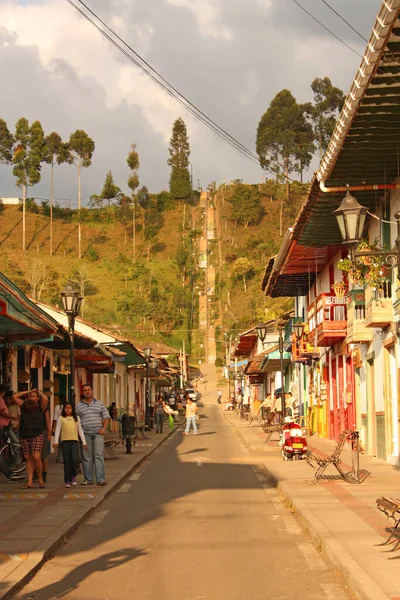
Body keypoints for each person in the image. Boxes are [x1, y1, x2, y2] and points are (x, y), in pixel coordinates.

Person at [12, 388, 49, 489]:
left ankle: (41, 479)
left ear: (37, 398)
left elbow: (45, 399)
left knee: (36, 457)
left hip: (36, 434)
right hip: (24, 435)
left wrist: (39, 392)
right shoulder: (24, 406)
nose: (31, 398)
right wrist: (28, 392)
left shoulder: (40, 407)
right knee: (28, 459)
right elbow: (15, 397)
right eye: (30, 396)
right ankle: (29, 481)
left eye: (33, 396)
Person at [75, 383, 110, 486]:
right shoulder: (78, 406)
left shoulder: (99, 404)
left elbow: (106, 417)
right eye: (85, 390)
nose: (87, 392)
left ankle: (100, 479)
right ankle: (89, 479)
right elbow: (75, 420)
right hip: (85, 434)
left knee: (98, 456)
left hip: (98, 433)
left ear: (92, 391)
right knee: (86, 457)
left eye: (89, 389)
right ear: (82, 392)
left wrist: (104, 429)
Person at [53, 403, 87, 488]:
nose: (68, 409)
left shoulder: (76, 418)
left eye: (70, 408)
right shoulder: (61, 418)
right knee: (67, 461)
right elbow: (57, 430)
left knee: (75, 459)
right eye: (66, 408)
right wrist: (56, 441)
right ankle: (67, 480)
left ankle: (73, 476)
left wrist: (84, 442)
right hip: (65, 442)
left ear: (72, 409)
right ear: (64, 409)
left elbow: (80, 430)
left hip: (74, 442)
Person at [52, 396, 67, 463]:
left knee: (60, 443)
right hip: (66, 426)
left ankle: (60, 457)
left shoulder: (57, 407)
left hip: (59, 426)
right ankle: (62, 457)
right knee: (64, 443)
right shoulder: (67, 407)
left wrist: (53, 429)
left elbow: (55, 419)